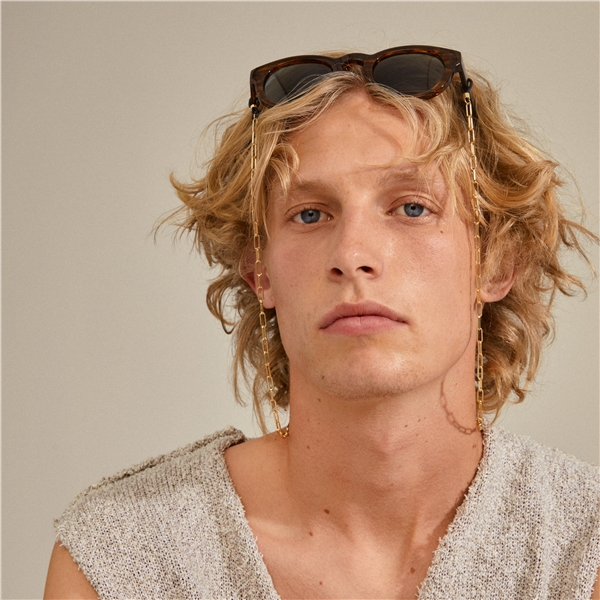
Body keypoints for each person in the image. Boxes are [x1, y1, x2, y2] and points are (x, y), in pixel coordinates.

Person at [45, 46, 599, 599]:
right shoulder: (122, 557)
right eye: (309, 214)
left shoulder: (583, 547)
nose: (352, 254)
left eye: (411, 207)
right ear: (259, 272)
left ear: (497, 260)